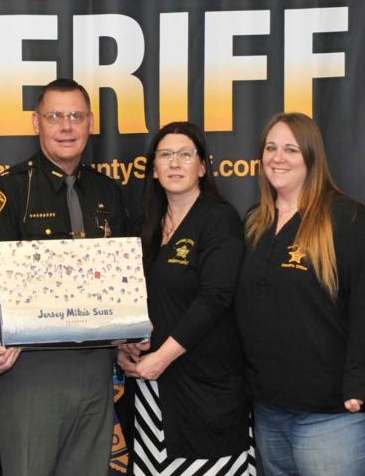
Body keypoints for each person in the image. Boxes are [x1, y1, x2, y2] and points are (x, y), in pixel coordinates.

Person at [0, 78, 130, 476]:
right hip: (29, 368)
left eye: (76, 116)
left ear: (90, 123)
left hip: (95, 367)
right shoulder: (8, 191)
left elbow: (125, 277)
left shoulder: (108, 192)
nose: (66, 126)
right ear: (35, 122)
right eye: (55, 116)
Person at [235, 113, 365, 476]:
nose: (278, 157)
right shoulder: (255, 222)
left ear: (312, 156)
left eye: (291, 148)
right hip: (270, 408)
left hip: (335, 411)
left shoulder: (348, 219)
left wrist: (359, 387)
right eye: (271, 148)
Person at [116, 121, 252, 473]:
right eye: (165, 155)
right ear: (154, 170)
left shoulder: (219, 219)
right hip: (151, 392)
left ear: (203, 167)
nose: (175, 163)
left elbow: (215, 299)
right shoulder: (144, 226)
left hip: (204, 388)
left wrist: (161, 358)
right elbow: (128, 300)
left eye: (185, 155)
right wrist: (126, 344)